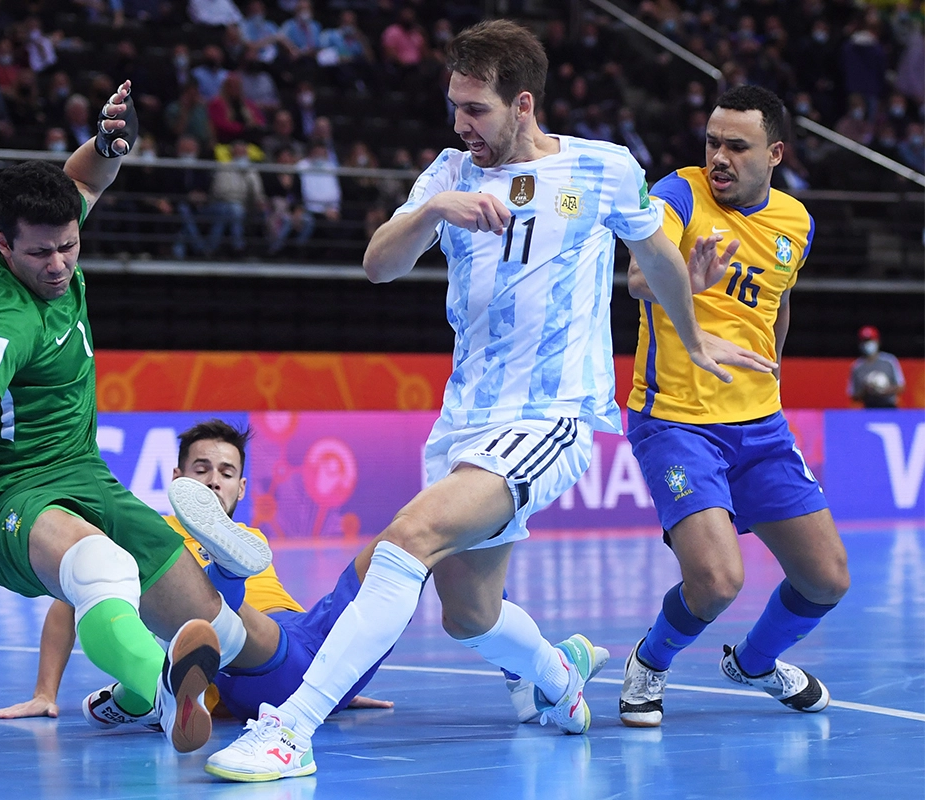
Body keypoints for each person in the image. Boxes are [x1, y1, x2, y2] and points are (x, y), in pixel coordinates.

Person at [201, 20, 770, 782]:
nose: (462, 125)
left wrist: (693, 339)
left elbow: (656, 253)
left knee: (409, 538)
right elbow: (377, 266)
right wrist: (434, 213)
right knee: (467, 614)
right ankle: (560, 677)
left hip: (552, 416)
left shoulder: (603, 169)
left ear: (523, 103)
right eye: (455, 107)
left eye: (476, 109)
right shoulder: (448, 173)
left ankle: (290, 730)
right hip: (464, 419)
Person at [0, 81, 283, 756]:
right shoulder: (4, 317)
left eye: (69, 245)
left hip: (86, 474)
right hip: (10, 496)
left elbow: (78, 183)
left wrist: (108, 147)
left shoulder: (53, 232)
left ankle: (130, 701)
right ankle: (159, 691)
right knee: (100, 568)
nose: (59, 263)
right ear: (3, 246)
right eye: (41, 253)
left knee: (217, 624)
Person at [617, 85, 851, 729]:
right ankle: (650, 661)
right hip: (677, 422)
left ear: (773, 153)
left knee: (827, 578)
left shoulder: (795, 223)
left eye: (736, 146)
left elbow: (778, 302)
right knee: (718, 581)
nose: (718, 156)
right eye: (712, 142)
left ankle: (754, 663)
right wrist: (681, 280)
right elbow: (639, 277)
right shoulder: (677, 193)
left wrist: (773, 373)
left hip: (760, 424)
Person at [0, 419, 399, 724]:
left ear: (241, 488)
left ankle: (243, 587)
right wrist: (45, 692)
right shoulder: (150, 533)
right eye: (201, 470)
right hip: (248, 664)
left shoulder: (251, 536)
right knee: (221, 617)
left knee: (398, 554)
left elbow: (287, 610)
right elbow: (69, 601)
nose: (214, 481)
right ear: (177, 478)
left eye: (226, 473)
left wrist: (336, 676)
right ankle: (229, 577)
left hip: (307, 640)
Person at [847, 325, 904, 409]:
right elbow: (853, 395)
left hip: (889, 407)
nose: (868, 344)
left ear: (878, 341)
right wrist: (866, 390)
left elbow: (901, 387)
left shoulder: (889, 361)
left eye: (871, 340)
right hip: (869, 408)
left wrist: (884, 390)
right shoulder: (857, 366)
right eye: (865, 341)